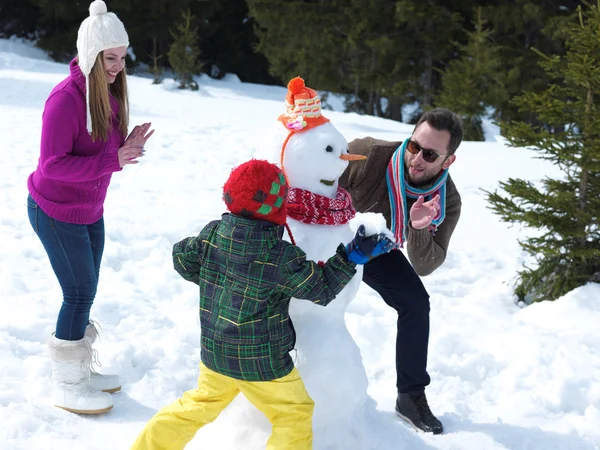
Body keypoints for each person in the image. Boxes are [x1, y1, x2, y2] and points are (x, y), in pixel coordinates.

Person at [131, 159, 394, 450]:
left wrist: (213, 278)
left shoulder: (212, 235)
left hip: (216, 356)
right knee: (293, 413)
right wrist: (351, 257)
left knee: (195, 407)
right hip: (263, 364)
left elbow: (182, 257)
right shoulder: (281, 256)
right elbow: (320, 288)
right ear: (277, 206)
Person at [26, 0, 154, 415]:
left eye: (121, 57)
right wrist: (112, 159)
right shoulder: (64, 100)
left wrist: (124, 145)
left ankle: (79, 369)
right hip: (55, 211)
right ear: (91, 55)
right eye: (110, 57)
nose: (118, 66)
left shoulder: (107, 96)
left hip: (88, 211)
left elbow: (96, 150)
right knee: (78, 293)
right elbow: (53, 165)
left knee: (86, 291)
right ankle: (68, 384)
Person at [339, 108, 463, 434]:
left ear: (447, 161)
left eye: (430, 154)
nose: (417, 158)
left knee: (415, 302)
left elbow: (424, 265)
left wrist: (419, 227)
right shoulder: (367, 155)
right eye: (413, 146)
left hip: (376, 248)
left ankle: (410, 396)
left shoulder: (446, 201)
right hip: (329, 235)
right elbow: (311, 180)